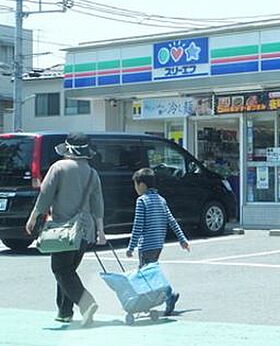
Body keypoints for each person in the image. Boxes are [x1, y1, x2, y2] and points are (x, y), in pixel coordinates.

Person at [24, 132, 106, 326]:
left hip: (64, 230)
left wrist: (33, 217)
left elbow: (45, 195)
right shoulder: (92, 173)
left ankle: (86, 303)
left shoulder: (59, 167)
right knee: (68, 271)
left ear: (68, 149)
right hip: (85, 229)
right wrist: (101, 231)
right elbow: (98, 204)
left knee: (60, 269)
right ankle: (64, 311)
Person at [126, 168, 190, 316]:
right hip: (158, 244)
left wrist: (131, 247)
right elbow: (171, 221)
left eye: (136, 185)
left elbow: (138, 226)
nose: (135, 188)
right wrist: (182, 239)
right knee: (150, 273)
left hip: (146, 246)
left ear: (142, 185)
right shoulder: (161, 200)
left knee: (146, 275)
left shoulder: (142, 201)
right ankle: (150, 301)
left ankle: (168, 294)